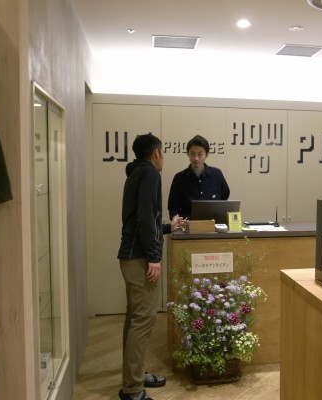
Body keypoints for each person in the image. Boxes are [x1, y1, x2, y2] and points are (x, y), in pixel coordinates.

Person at [117, 134, 183, 400]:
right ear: (156, 153)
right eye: (163, 152)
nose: (163, 157)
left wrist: (167, 227)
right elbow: (145, 217)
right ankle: (133, 389)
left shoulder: (136, 173)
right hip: (140, 259)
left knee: (135, 319)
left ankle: (136, 375)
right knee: (142, 321)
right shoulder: (151, 174)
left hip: (131, 255)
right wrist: (154, 257)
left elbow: (145, 219)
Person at [168, 134, 230, 219]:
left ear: (207, 154)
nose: (196, 158)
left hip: (213, 224)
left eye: (200, 154)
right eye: (192, 154)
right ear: (187, 154)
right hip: (188, 224)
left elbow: (224, 198)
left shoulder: (217, 175)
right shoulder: (179, 178)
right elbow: (172, 208)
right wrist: (177, 219)